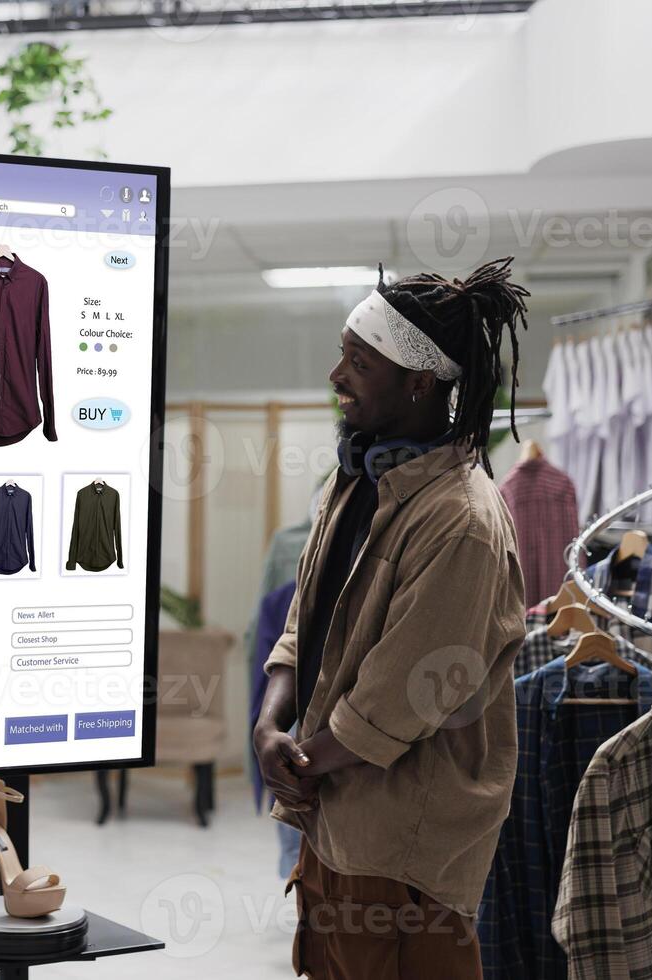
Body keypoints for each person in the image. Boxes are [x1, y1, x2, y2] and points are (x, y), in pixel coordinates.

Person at [253, 258, 531, 979]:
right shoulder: (357, 481)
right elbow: (302, 621)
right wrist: (269, 721)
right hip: (332, 819)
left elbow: (403, 696)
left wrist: (302, 762)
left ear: (418, 382)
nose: (336, 377)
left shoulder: (461, 521)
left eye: (358, 362)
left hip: (404, 853)